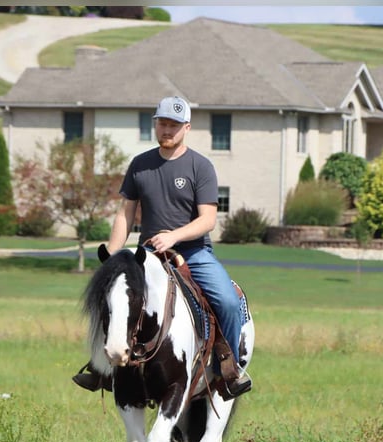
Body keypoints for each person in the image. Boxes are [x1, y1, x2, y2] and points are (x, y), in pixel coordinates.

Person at [72, 96, 252, 399]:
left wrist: (173, 236)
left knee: (228, 301)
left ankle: (229, 369)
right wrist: (113, 258)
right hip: (147, 256)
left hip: (193, 253)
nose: (167, 130)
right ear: (155, 124)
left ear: (187, 127)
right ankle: (101, 367)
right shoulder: (140, 164)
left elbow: (208, 220)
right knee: (111, 298)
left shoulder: (200, 166)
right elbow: (125, 212)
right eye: (163, 123)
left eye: (174, 125)